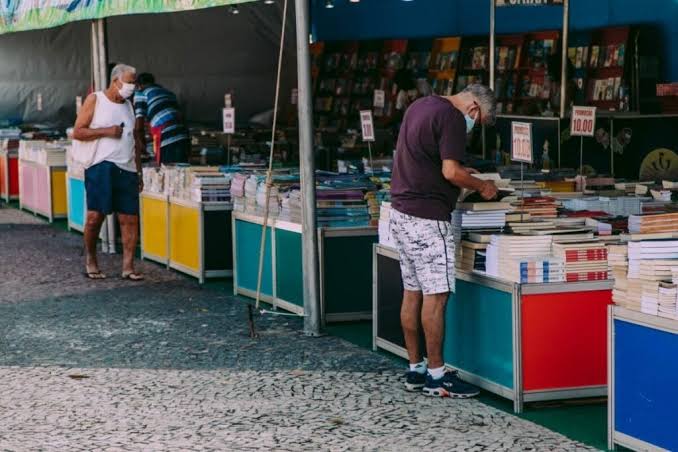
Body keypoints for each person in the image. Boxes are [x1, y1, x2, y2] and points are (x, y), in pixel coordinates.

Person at [390, 84, 499, 398]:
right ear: (474, 108)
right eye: (476, 124)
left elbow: (428, 159)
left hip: (401, 212)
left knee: (412, 292)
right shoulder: (452, 117)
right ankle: (438, 377)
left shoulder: (421, 104)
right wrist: (481, 185)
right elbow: (450, 171)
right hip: (427, 217)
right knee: (435, 297)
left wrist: (465, 173)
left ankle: (416, 369)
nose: (471, 129)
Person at [73, 63, 144, 281]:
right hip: (100, 166)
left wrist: (139, 171)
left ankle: (128, 267)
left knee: (129, 218)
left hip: (127, 167)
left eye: (134, 82)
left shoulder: (129, 106)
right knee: (95, 217)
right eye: (129, 82)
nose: (132, 86)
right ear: (116, 81)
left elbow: (136, 141)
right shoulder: (96, 99)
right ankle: (91, 260)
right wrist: (107, 131)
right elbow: (78, 131)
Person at [133, 73, 190, 164]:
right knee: (181, 170)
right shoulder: (168, 93)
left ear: (138, 85)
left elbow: (139, 126)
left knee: (167, 170)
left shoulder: (141, 93)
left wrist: (143, 150)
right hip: (183, 134)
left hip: (167, 136)